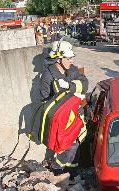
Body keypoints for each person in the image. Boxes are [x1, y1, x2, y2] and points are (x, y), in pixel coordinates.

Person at [40, 41, 89, 175]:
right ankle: (57, 168)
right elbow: (45, 102)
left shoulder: (72, 70)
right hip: (63, 120)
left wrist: (69, 86)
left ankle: (73, 172)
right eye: (68, 58)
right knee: (69, 144)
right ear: (59, 59)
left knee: (79, 142)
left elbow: (85, 84)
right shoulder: (48, 76)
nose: (71, 61)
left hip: (76, 114)